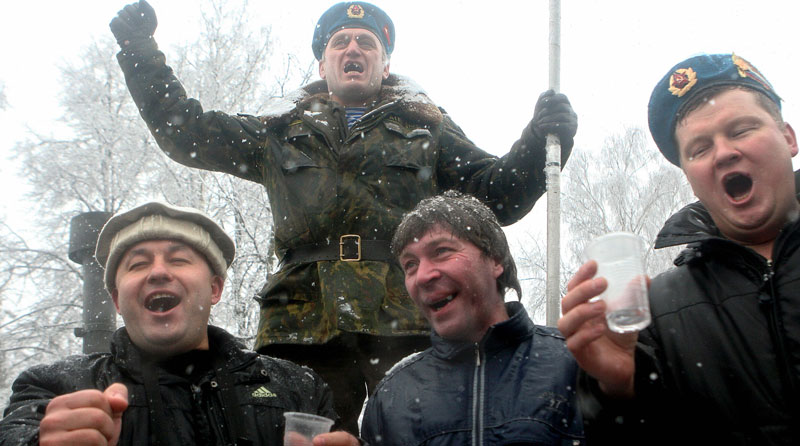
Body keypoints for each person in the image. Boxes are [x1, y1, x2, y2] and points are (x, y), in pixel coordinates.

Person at [110, 0, 578, 433]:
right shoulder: (279, 133)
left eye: (366, 43)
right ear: (322, 64)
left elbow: (499, 196)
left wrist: (539, 141)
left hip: (402, 319)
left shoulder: (425, 130)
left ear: (385, 63)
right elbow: (185, 129)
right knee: (303, 438)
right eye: (341, 43)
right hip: (300, 323)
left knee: (421, 432)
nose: (353, 49)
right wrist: (138, 50)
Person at [558, 53, 800, 445]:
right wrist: (618, 391)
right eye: (700, 149)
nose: (723, 153)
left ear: (788, 137)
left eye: (740, 130)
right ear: (689, 176)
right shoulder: (656, 313)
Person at [0, 202, 358, 446]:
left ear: (215, 288)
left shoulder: (299, 388)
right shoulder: (53, 388)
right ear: (116, 301)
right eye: (138, 264)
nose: (158, 271)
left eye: (179, 259)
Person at [361, 191, 584, 445]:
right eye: (410, 264)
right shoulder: (392, 395)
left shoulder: (578, 362)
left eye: (442, 251)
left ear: (495, 259)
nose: (422, 276)